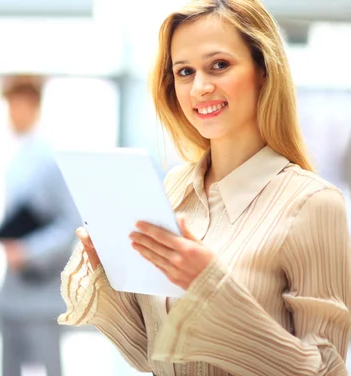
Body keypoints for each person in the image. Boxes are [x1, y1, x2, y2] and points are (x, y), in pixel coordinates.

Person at [58, 1, 351, 375]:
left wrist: (212, 290)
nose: (200, 87)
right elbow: (155, 355)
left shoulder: (312, 203)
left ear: (264, 70)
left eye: (219, 65)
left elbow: (327, 370)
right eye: (184, 71)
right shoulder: (174, 189)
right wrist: (112, 272)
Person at [0, 75, 81, 376]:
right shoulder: (14, 153)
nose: (13, 113)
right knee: (9, 364)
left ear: (34, 106)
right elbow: (8, 223)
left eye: (18, 106)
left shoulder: (51, 157)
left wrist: (28, 251)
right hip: (12, 284)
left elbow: (70, 223)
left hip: (41, 282)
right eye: (9, 106)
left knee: (48, 362)